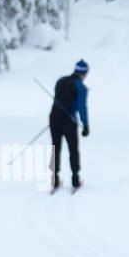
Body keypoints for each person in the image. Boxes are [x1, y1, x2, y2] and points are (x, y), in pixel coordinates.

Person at [49, 59, 90, 191]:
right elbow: (82, 107)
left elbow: (59, 96)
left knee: (56, 148)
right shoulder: (81, 87)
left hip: (54, 118)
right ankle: (75, 180)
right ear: (84, 74)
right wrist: (85, 125)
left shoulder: (60, 80)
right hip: (69, 121)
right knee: (73, 149)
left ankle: (55, 180)